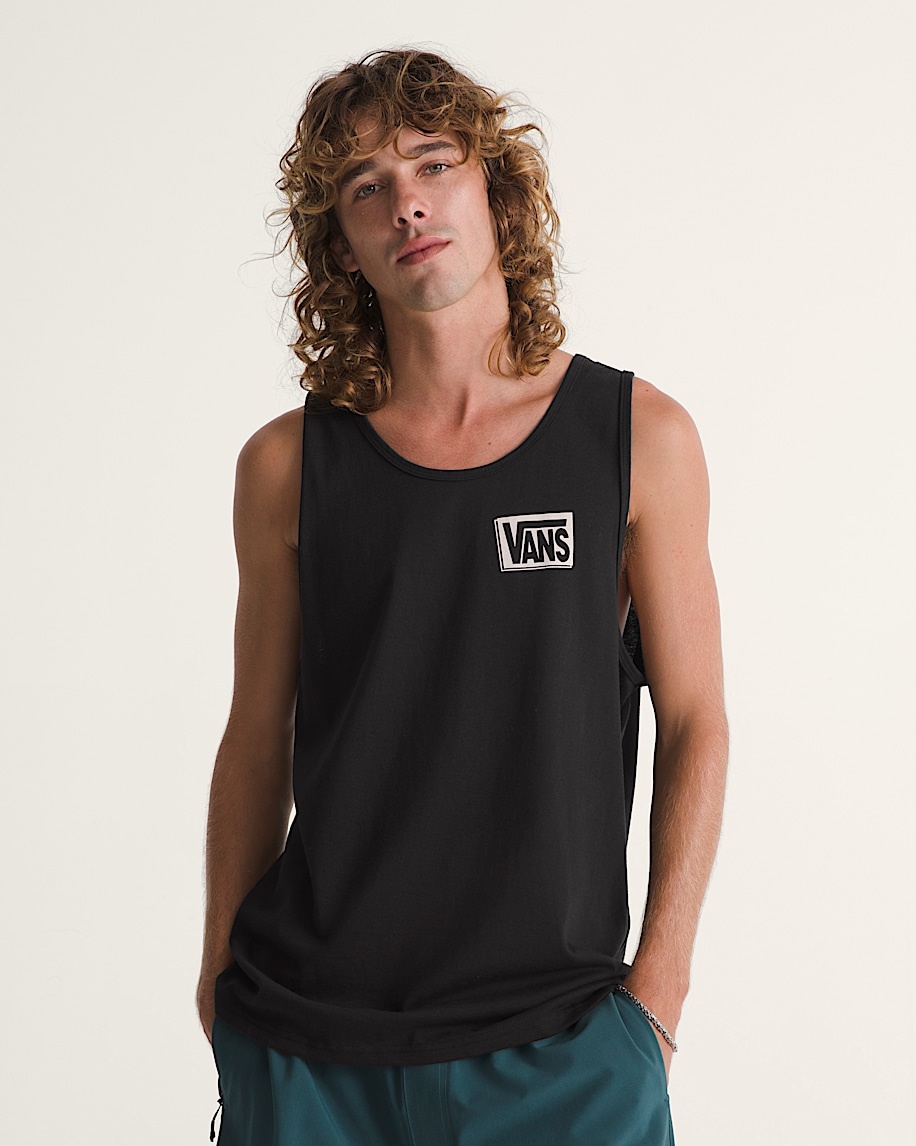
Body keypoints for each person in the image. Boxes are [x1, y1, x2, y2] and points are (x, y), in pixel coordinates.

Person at [196, 46, 728, 1146]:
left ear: (496, 189)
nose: (407, 202)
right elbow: (256, 735)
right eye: (366, 186)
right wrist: (218, 983)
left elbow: (695, 721)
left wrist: (659, 998)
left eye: (432, 163)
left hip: (567, 1050)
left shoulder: (639, 439)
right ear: (339, 242)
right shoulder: (286, 468)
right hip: (308, 1050)